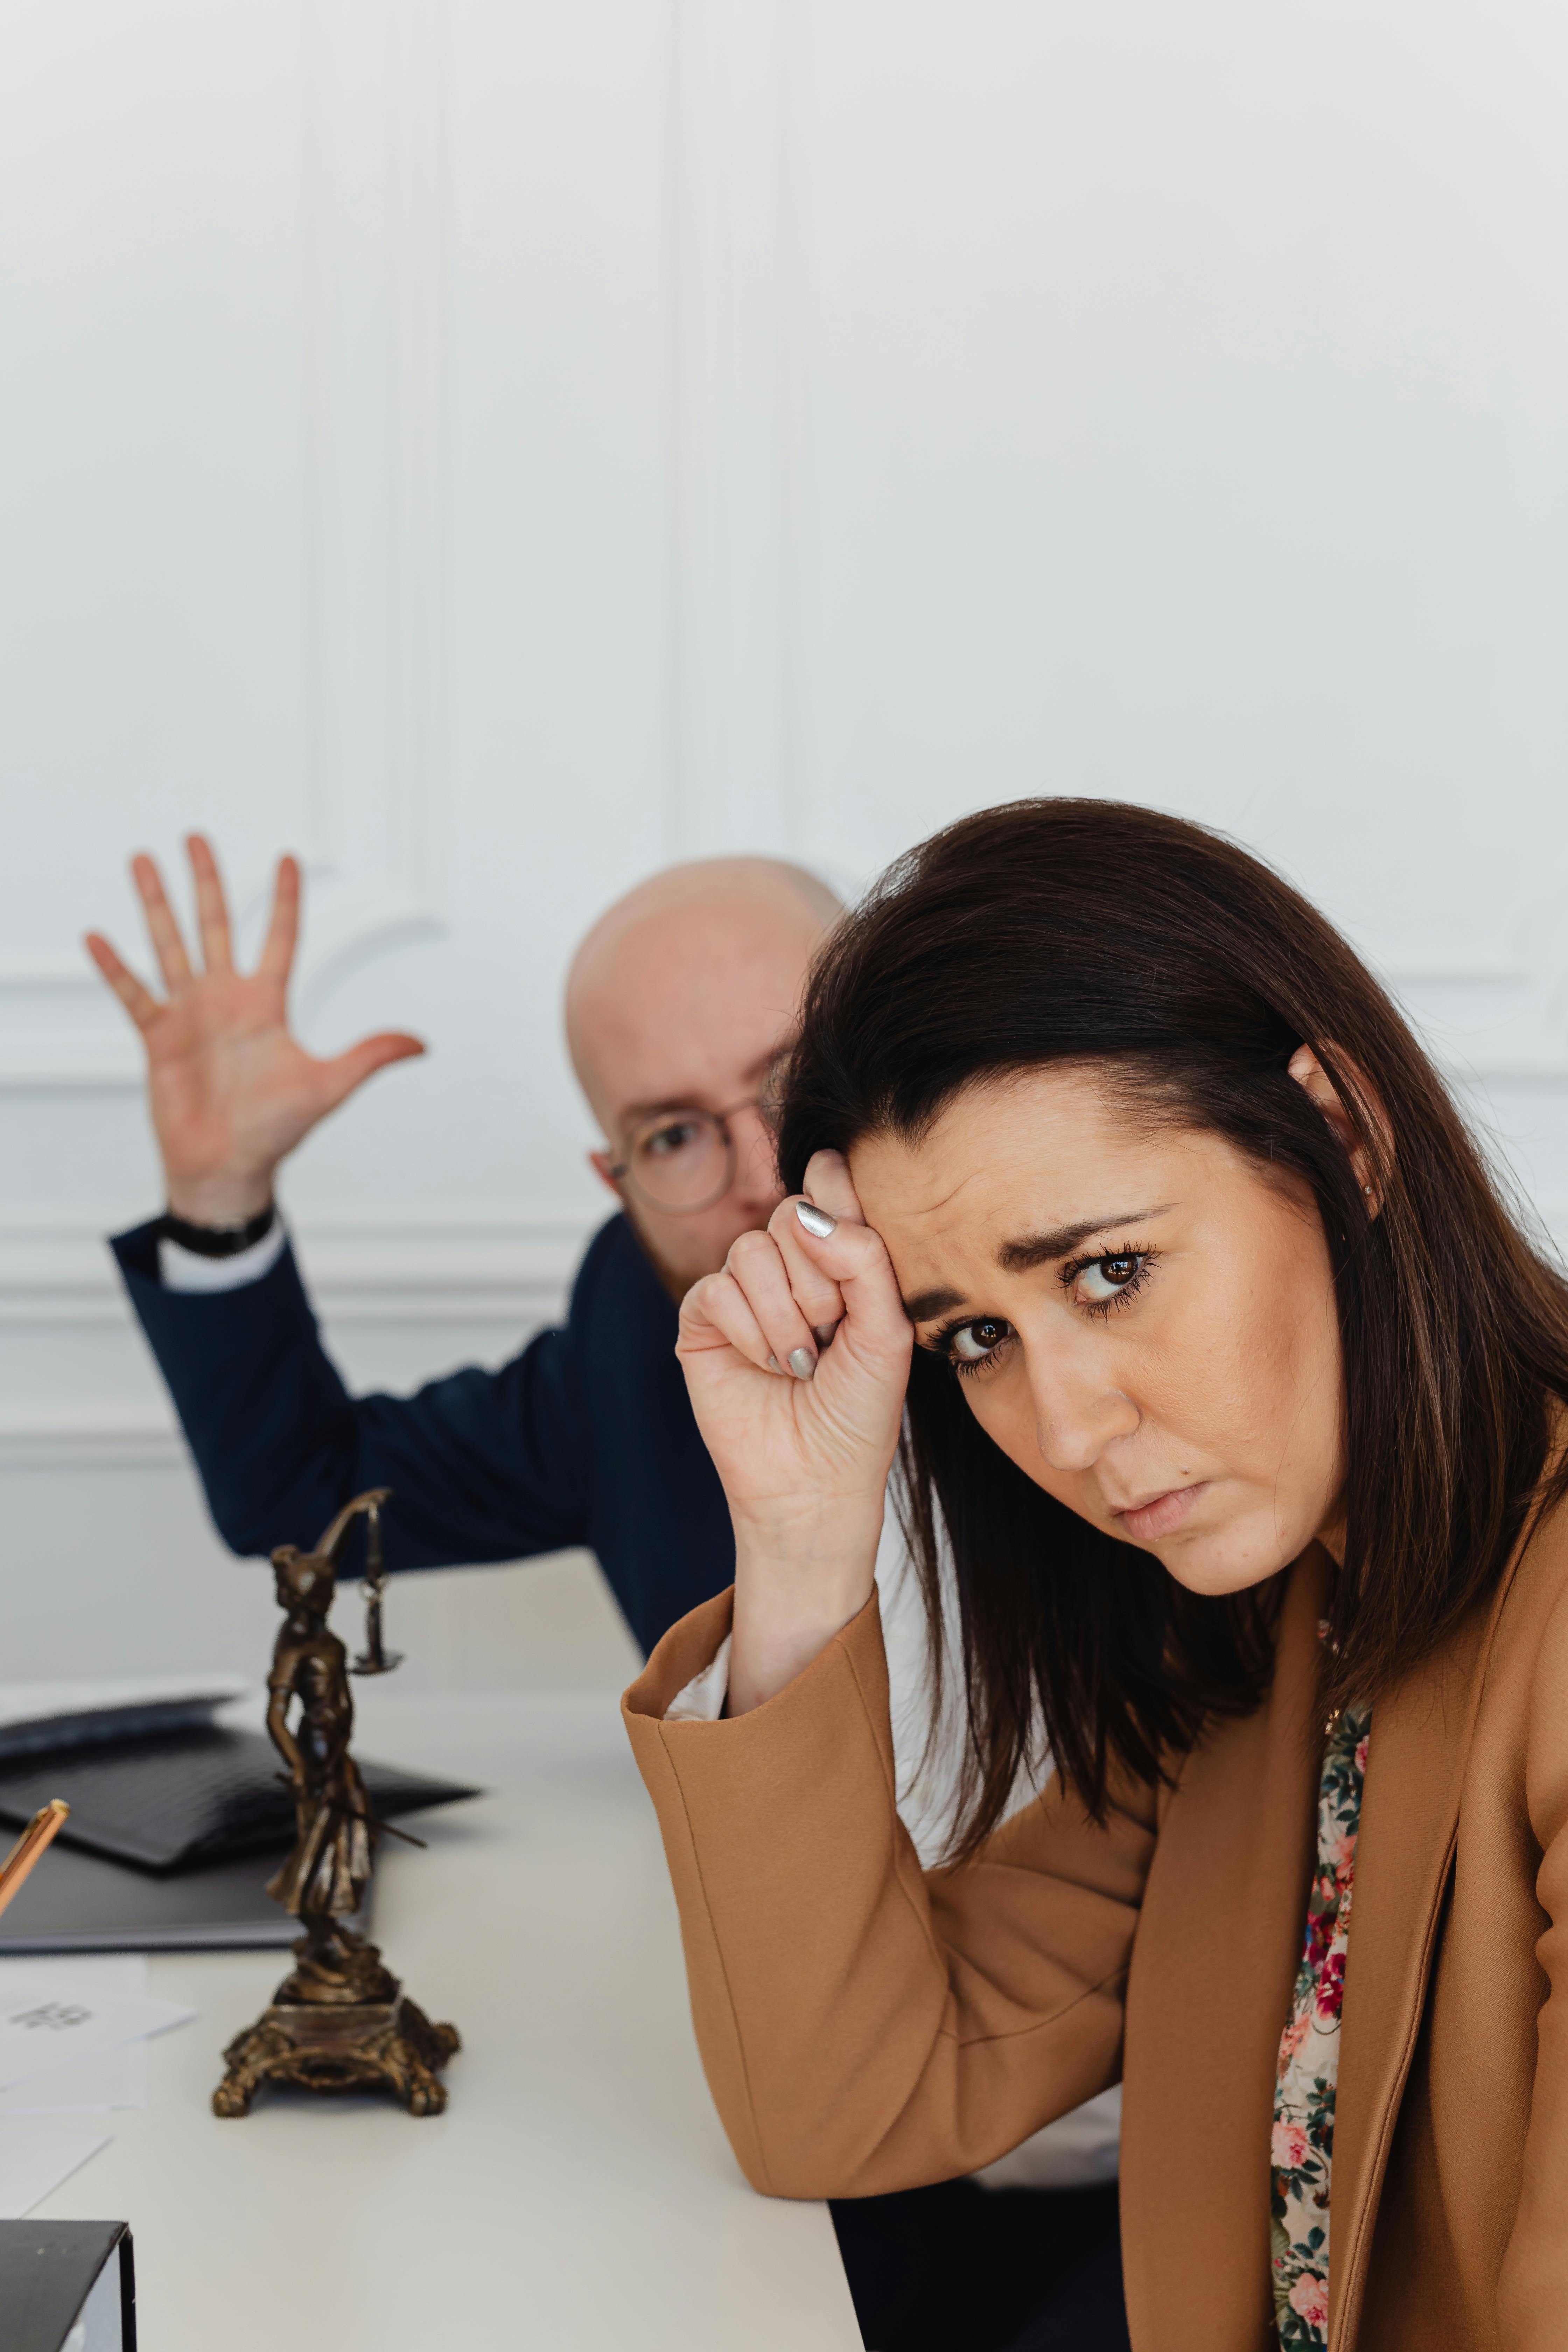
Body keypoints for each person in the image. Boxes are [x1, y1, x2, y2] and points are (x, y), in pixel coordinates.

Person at [85, 833, 1125, 2351]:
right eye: (674, 1135)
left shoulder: (1103, 1330)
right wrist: (220, 1201)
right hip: (822, 2154)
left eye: (792, 1083)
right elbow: (299, 1495)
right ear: (617, 1180)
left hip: (1169, 2151)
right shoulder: (637, 1336)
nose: (760, 1170)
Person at [623, 797, 1568, 2351]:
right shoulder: (1267, 1658)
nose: (1060, 1431)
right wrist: (797, 1545)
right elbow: (844, 2108)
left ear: (1341, 1134)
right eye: (974, 1338)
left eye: (1107, 1272)